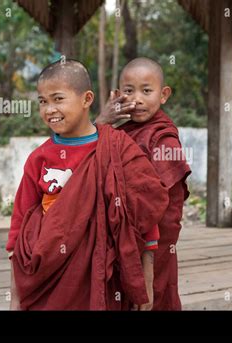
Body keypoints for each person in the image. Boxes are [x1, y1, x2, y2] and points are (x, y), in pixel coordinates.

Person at [6, 59, 169, 310]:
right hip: (49, 271)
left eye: (58, 99)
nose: (49, 109)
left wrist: (146, 278)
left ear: (86, 99)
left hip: (103, 268)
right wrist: (15, 296)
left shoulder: (118, 148)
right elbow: (19, 227)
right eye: (42, 101)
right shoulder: (38, 158)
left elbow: (144, 215)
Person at [96, 57, 191, 310]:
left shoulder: (163, 139)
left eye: (146, 91)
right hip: (121, 238)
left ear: (164, 94)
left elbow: (165, 208)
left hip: (153, 245)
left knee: (154, 298)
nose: (137, 99)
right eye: (129, 91)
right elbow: (84, 157)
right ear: (117, 94)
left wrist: (149, 250)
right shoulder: (118, 131)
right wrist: (102, 120)